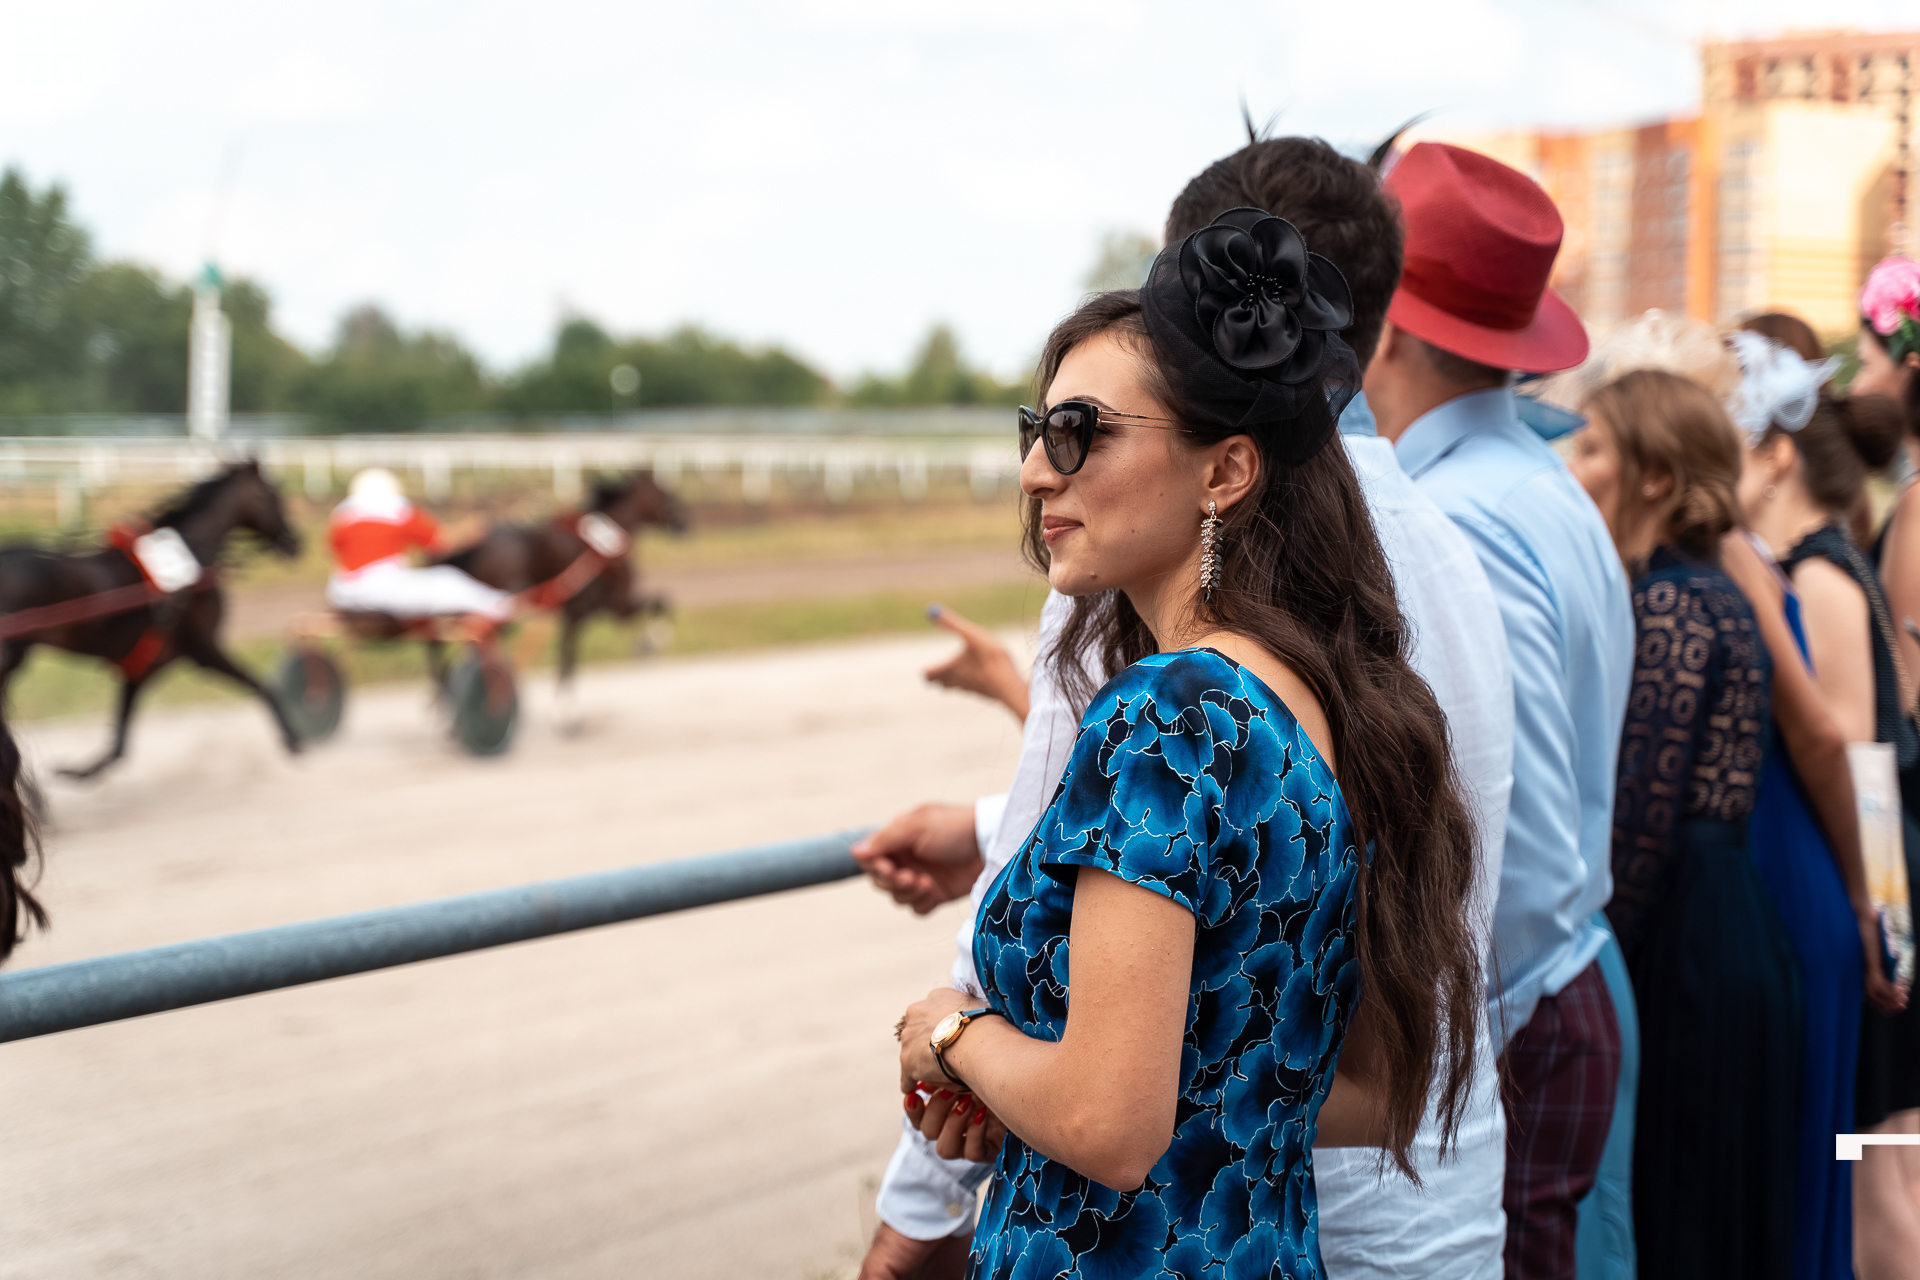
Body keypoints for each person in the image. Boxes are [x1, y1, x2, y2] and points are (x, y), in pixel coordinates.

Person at [856, 134, 1515, 1280]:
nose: (1038, 470)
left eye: (1081, 433)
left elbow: (1111, 1124)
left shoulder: (1168, 716)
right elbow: (1369, 1088)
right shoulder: (1318, 695)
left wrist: (953, 1034)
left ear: (1225, 472)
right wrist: (1045, 1087)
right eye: (1036, 431)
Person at [1364, 141, 1636, 1280]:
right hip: (1556, 978)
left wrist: (1484, 1036)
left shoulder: (1453, 514)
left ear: (1382, 323)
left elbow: (1490, 805)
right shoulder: (1536, 480)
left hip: (1519, 1005)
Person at [1565, 367, 1801, 1279]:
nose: (1573, 466)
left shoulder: (1669, 603)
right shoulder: (1711, 589)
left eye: (1593, 446)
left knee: (1679, 1204)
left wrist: (1584, 966)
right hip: (1728, 920)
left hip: (1685, 940)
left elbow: (1639, 825)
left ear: (1655, 477)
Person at [1855, 256, 1920, 1279]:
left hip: (1903, 848)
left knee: (1883, 1154)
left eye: (1868, 355)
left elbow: (1894, 727)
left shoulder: (1915, 509)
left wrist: (1888, 919)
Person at [324, 469, 513, 622]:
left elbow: (333, 549)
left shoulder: (342, 517)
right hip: (382, 591)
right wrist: (471, 530)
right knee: (448, 580)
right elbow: (441, 543)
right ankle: (502, 606)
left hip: (343, 593)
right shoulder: (398, 512)